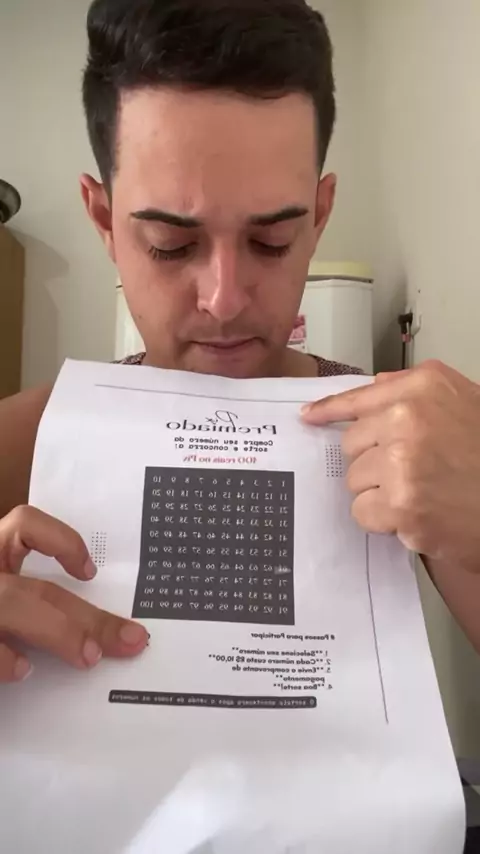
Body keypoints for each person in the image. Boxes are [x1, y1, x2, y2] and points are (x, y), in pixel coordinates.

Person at [1, 0, 480, 684]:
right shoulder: (24, 443)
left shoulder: (405, 441)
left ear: (318, 217)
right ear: (103, 220)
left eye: (271, 241)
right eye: (171, 245)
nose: (223, 300)